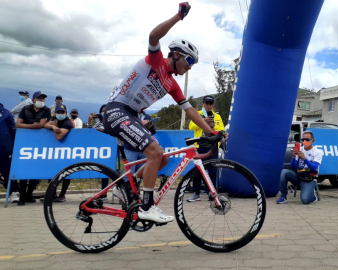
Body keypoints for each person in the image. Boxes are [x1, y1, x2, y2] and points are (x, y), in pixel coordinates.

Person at [103, 2, 224, 224]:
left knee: (159, 161)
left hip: (132, 115)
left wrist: (212, 132)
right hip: (117, 110)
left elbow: (190, 111)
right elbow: (153, 36)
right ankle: (147, 207)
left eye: (193, 65)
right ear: (176, 54)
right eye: (188, 61)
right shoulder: (156, 61)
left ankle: (125, 187)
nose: (189, 67)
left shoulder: (172, 84)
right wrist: (179, 16)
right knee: (156, 152)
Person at [187, 95, 226, 202]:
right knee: (198, 170)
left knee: (213, 170)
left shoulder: (217, 116)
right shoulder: (198, 114)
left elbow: (222, 130)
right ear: (202, 104)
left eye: (210, 103)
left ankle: (212, 193)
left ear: (213, 105)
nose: (208, 106)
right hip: (200, 146)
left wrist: (213, 126)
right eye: (206, 103)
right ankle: (196, 194)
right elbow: (191, 126)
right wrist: (203, 121)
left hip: (213, 146)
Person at [16, 91, 51, 205]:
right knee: (24, 169)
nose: (41, 101)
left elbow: (41, 124)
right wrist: (32, 126)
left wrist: (27, 125)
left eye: (43, 99)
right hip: (25, 142)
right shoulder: (25, 109)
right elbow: (17, 124)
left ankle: (29, 194)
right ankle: (22, 196)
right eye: (39, 99)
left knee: (34, 169)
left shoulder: (46, 110)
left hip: (39, 143)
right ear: (34, 99)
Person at [276, 131, 322, 204]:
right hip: (299, 177)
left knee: (305, 200)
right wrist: (294, 157)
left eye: (307, 140)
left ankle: (312, 195)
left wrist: (305, 159)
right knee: (284, 172)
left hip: (309, 179)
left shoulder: (317, 152)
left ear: (313, 141)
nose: (304, 141)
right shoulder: (300, 149)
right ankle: (283, 196)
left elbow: (314, 168)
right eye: (303, 139)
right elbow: (293, 166)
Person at [43, 104, 74, 202]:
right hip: (55, 152)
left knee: (66, 174)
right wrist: (53, 127)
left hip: (66, 151)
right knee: (52, 173)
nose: (60, 114)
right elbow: (45, 125)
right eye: (58, 112)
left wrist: (53, 127)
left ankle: (62, 195)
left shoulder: (67, 123)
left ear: (66, 113)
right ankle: (52, 195)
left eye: (62, 112)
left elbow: (59, 137)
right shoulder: (56, 120)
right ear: (55, 113)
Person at [0, 102, 19, 203]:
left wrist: (12, 144)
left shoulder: (5, 112)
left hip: (4, 147)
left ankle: (13, 192)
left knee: (7, 171)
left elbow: (13, 128)